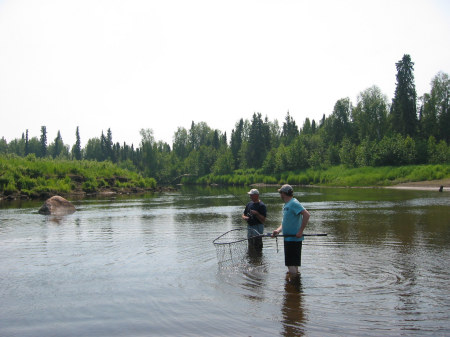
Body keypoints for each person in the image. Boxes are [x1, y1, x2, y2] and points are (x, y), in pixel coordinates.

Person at [272, 184, 310, 279]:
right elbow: (284, 222)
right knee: (292, 265)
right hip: (288, 238)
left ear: (284, 193)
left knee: (291, 264)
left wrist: (300, 231)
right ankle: (295, 287)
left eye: (280, 192)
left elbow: (306, 215)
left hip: (294, 239)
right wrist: (278, 230)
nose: (280, 194)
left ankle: (293, 287)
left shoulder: (294, 203)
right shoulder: (286, 205)